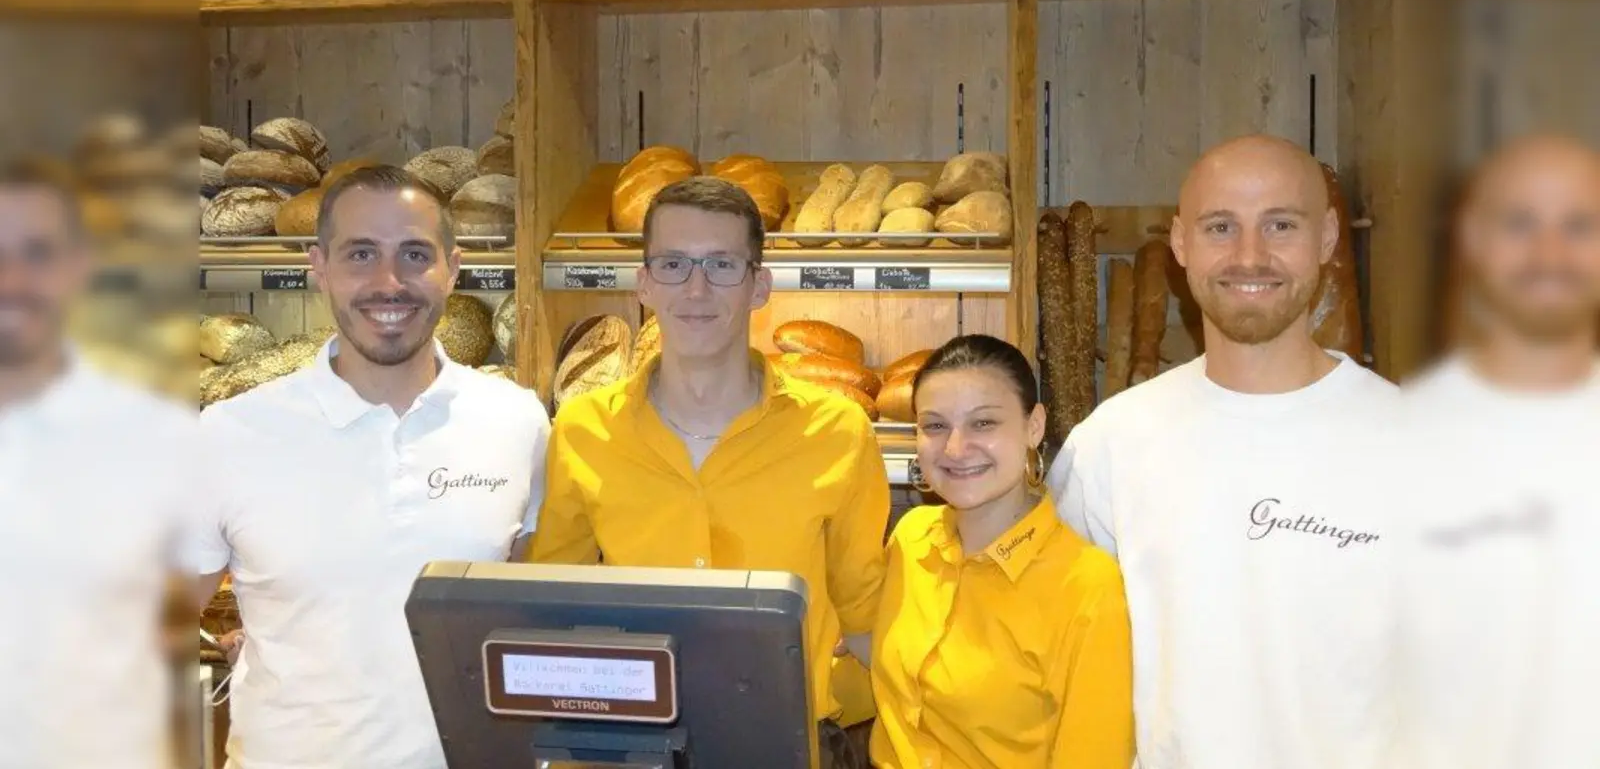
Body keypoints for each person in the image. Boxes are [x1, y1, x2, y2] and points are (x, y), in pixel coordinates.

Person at [1048, 134, 1399, 769]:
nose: (1250, 256)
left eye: (1281, 225)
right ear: (1181, 244)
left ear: (1326, 237)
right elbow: (1064, 661)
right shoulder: (1109, 446)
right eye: (1220, 227)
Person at [194, 165, 550, 769]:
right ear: (319, 267)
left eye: (415, 254)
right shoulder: (229, 433)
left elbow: (521, 611)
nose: (389, 282)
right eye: (361, 254)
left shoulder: (516, 421)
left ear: (452, 269)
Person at [528, 176, 889, 769]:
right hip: (636, 747)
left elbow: (866, 610)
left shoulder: (837, 432)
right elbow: (556, 611)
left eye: (722, 264)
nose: (696, 289)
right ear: (645, 282)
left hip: (788, 744)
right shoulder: (583, 429)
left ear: (758, 285)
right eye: (673, 264)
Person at [1396, 134, 1600, 769]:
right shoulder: (1391, 445)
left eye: (1579, 225)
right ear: (1472, 239)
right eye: (1520, 224)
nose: (1550, 254)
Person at [0, 158, 195, 769]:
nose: (12, 279)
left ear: (79, 267)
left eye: (38, 253)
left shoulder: (156, 436)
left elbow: (188, 607)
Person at [870, 334, 1134, 769]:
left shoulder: (1088, 589)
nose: (955, 448)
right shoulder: (911, 539)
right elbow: (884, 676)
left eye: (983, 423)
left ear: (1034, 426)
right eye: (934, 425)